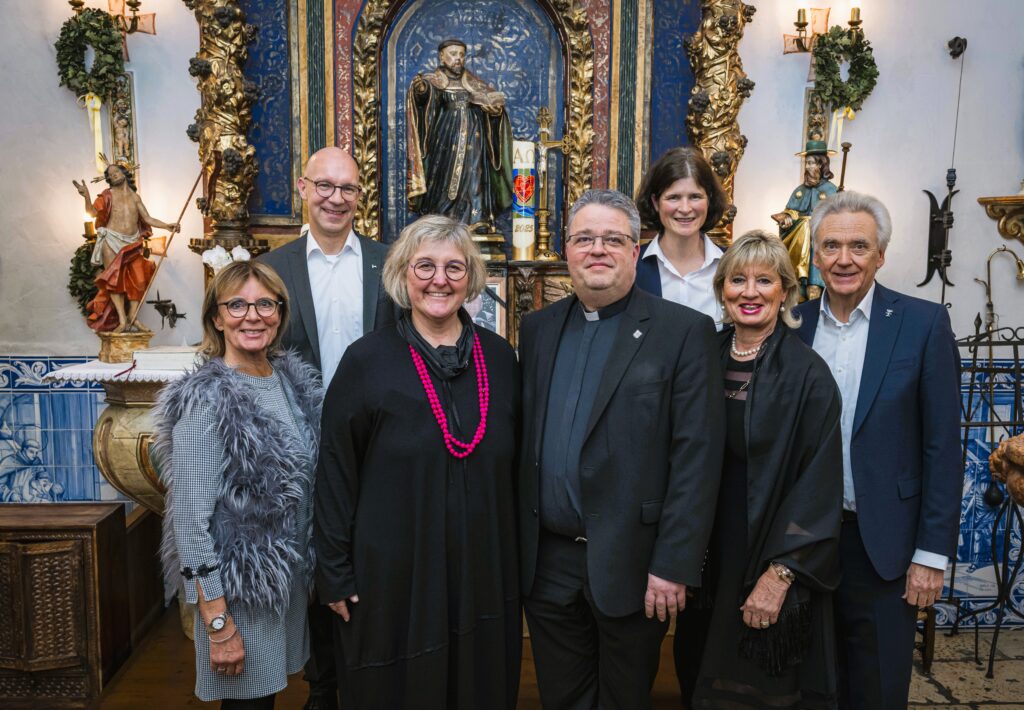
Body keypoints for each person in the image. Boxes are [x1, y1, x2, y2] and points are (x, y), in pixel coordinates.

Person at [518, 189, 724, 709]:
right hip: (549, 563)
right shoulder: (538, 329)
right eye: (584, 238)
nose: (598, 250)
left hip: (635, 563)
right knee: (560, 699)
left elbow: (696, 461)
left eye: (613, 239)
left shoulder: (684, 332)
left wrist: (675, 564)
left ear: (637, 250)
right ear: (566, 250)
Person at [314, 215, 521, 709]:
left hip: (482, 567)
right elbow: (336, 471)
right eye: (424, 266)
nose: (439, 280)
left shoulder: (500, 357)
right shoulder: (366, 360)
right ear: (402, 276)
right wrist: (334, 573)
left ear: (470, 278)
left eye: (453, 268)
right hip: (393, 573)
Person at [794, 191, 962, 709]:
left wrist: (931, 556)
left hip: (886, 546)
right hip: (803, 543)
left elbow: (942, 447)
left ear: (881, 255)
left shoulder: (922, 325)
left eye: (859, 246)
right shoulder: (791, 327)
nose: (844, 259)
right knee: (809, 689)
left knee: (878, 690)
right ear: (815, 256)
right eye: (832, 246)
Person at [154, 260, 323, 709]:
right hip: (238, 595)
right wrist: (217, 623)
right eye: (237, 305)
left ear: (280, 312)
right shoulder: (207, 398)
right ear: (216, 317)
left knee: (265, 697)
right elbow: (189, 524)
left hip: (282, 587)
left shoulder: (287, 381)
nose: (253, 316)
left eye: (265, 303)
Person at [261, 146, 394, 710]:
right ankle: (322, 685)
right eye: (325, 186)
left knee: (372, 553)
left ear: (360, 197)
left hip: (379, 442)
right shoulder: (275, 269)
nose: (336, 198)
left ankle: (374, 670)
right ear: (303, 188)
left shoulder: (390, 263)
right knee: (314, 555)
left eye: (348, 189)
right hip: (301, 444)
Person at [688, 230, 843, 709]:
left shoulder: (807, 374)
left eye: (764, 280)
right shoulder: (700, 360)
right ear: (722, 290)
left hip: (769, 560)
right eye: (737, 280)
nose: (749, 292)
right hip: (705, 563)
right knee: (698, 682)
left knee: (755, 693)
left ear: (786, 292)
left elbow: (818, 486)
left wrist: (779, 576)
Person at [406, 38, 514, 229]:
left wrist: (494, 112)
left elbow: (492, 106)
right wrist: (420, 90)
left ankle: (477, 219)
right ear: (441, 56)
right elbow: (425, 99)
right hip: (446, 139)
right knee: (443, 177)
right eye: (453, 54)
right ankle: (441, 217)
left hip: (475, 139)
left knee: (475, 176)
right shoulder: (434, 81)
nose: (458, 59)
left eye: (462, 55)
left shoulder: (474, 82)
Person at [73, 162, 180, 333]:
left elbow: (148, 219)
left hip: (131, 241)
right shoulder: (107, 195)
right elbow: (93, 213)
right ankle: (122, 320)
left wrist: (167, 226)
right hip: (111, 239)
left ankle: (133, 316)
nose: (113, 175)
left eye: (116, 171)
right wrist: (86, 195)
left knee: (138, 279)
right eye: (110, 174)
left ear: (124, 173)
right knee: (114, 281)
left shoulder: (135, 197)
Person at [635, 146, 729, 327]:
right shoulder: (631, 267)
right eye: (673, 197)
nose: (685, 209)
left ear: (708, 199)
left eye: (695, 197)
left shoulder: (732, 266)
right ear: (655, 202)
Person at [771, 140, 838, 300]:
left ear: (822, 165)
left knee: (814, 292)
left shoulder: (831, 190)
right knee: (805, 225)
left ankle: (812, 281)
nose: (808, 167)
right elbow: (791, 211)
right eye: (806, 163)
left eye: (811, 163)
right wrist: (787, 217)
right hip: (799, 242)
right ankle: (798, 277)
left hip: (819, 243)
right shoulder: (799, 191)